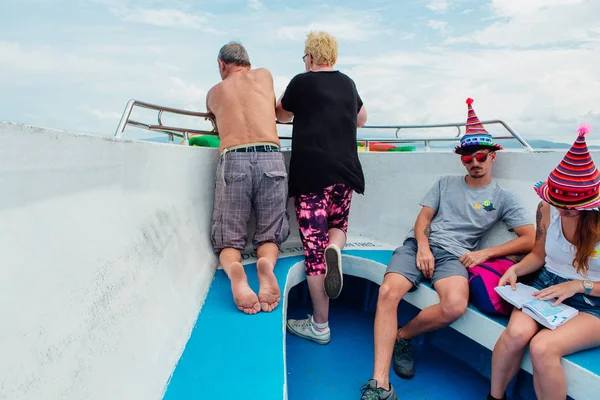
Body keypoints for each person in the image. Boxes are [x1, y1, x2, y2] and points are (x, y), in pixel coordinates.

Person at [359, 98, 535, 400]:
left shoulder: (503, 197)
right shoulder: (444, 183)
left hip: (455, 257)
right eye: (468, 159)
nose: (474, 163)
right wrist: (423, 248)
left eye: (480, 156)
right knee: (388, 292)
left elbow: (529, 238)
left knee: (455, 305)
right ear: (461, 161)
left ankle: (404, 336)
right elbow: (422, 221)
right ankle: (380, 384)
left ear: (493, 156)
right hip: (421, 246)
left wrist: (485, 253)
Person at [489, 123, 600, 400]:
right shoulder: (547, 208)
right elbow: (539, 255)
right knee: (515, 335)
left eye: (572, 206)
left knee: (542, 347)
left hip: (593, 299)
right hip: (547, 285)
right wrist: (515, 269)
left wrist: (578, 285)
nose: (563, 210)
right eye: (559, 202)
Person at [275, 31, 367, 345]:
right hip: (346, 173)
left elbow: (281, 114)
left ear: (310, 57)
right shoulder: (348, 83)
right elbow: (362, 119)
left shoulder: (302, 82)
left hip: (312, 175)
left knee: (314, 254)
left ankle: (320, 326)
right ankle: (336, 249)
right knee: (338, 226)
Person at [206, 41, 289, 315]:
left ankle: (235, 270)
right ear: (248, 61)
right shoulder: (264, 76)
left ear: (222, 65)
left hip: (235, 158)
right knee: (270, 233)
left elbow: (219, 124)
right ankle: (266, 263)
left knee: (228, 240)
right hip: (271, 155)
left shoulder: (214, 92)